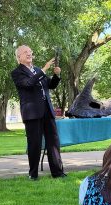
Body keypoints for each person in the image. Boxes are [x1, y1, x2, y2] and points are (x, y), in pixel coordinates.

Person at [11, 45, 66, 180]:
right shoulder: (17, 72)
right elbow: (29, 83)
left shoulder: (36, 70)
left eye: (30, 51)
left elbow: (50, 85)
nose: (29, 53)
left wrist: (56, 75)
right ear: (19, 57)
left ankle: (57, 172)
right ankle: (33, 174)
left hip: (47, 110)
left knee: (53, 142)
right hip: (32, 113)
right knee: (34, 144)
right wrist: (44, 69)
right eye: (25, 52)